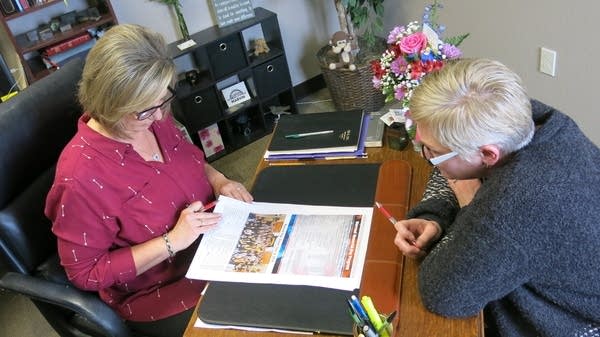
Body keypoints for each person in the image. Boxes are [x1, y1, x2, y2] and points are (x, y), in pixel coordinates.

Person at [45, 24, 253, 337]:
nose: (159, 118)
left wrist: (219, 180)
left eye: (163, 101)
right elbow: (85, 274)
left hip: (212, 244)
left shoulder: (151, 117)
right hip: (162, 288)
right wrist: (173, 241)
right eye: (145, 111)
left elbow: (191, 160)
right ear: (109, 105)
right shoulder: (80, 179)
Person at [393, 58, 600, 337]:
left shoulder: (517, 202)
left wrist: (470, 204)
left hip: (573, 322)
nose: (427, 157)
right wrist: (435, 215)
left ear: (488, 155)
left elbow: (442, 294)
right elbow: (456, 171)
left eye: (430, 151)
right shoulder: (532, 119)